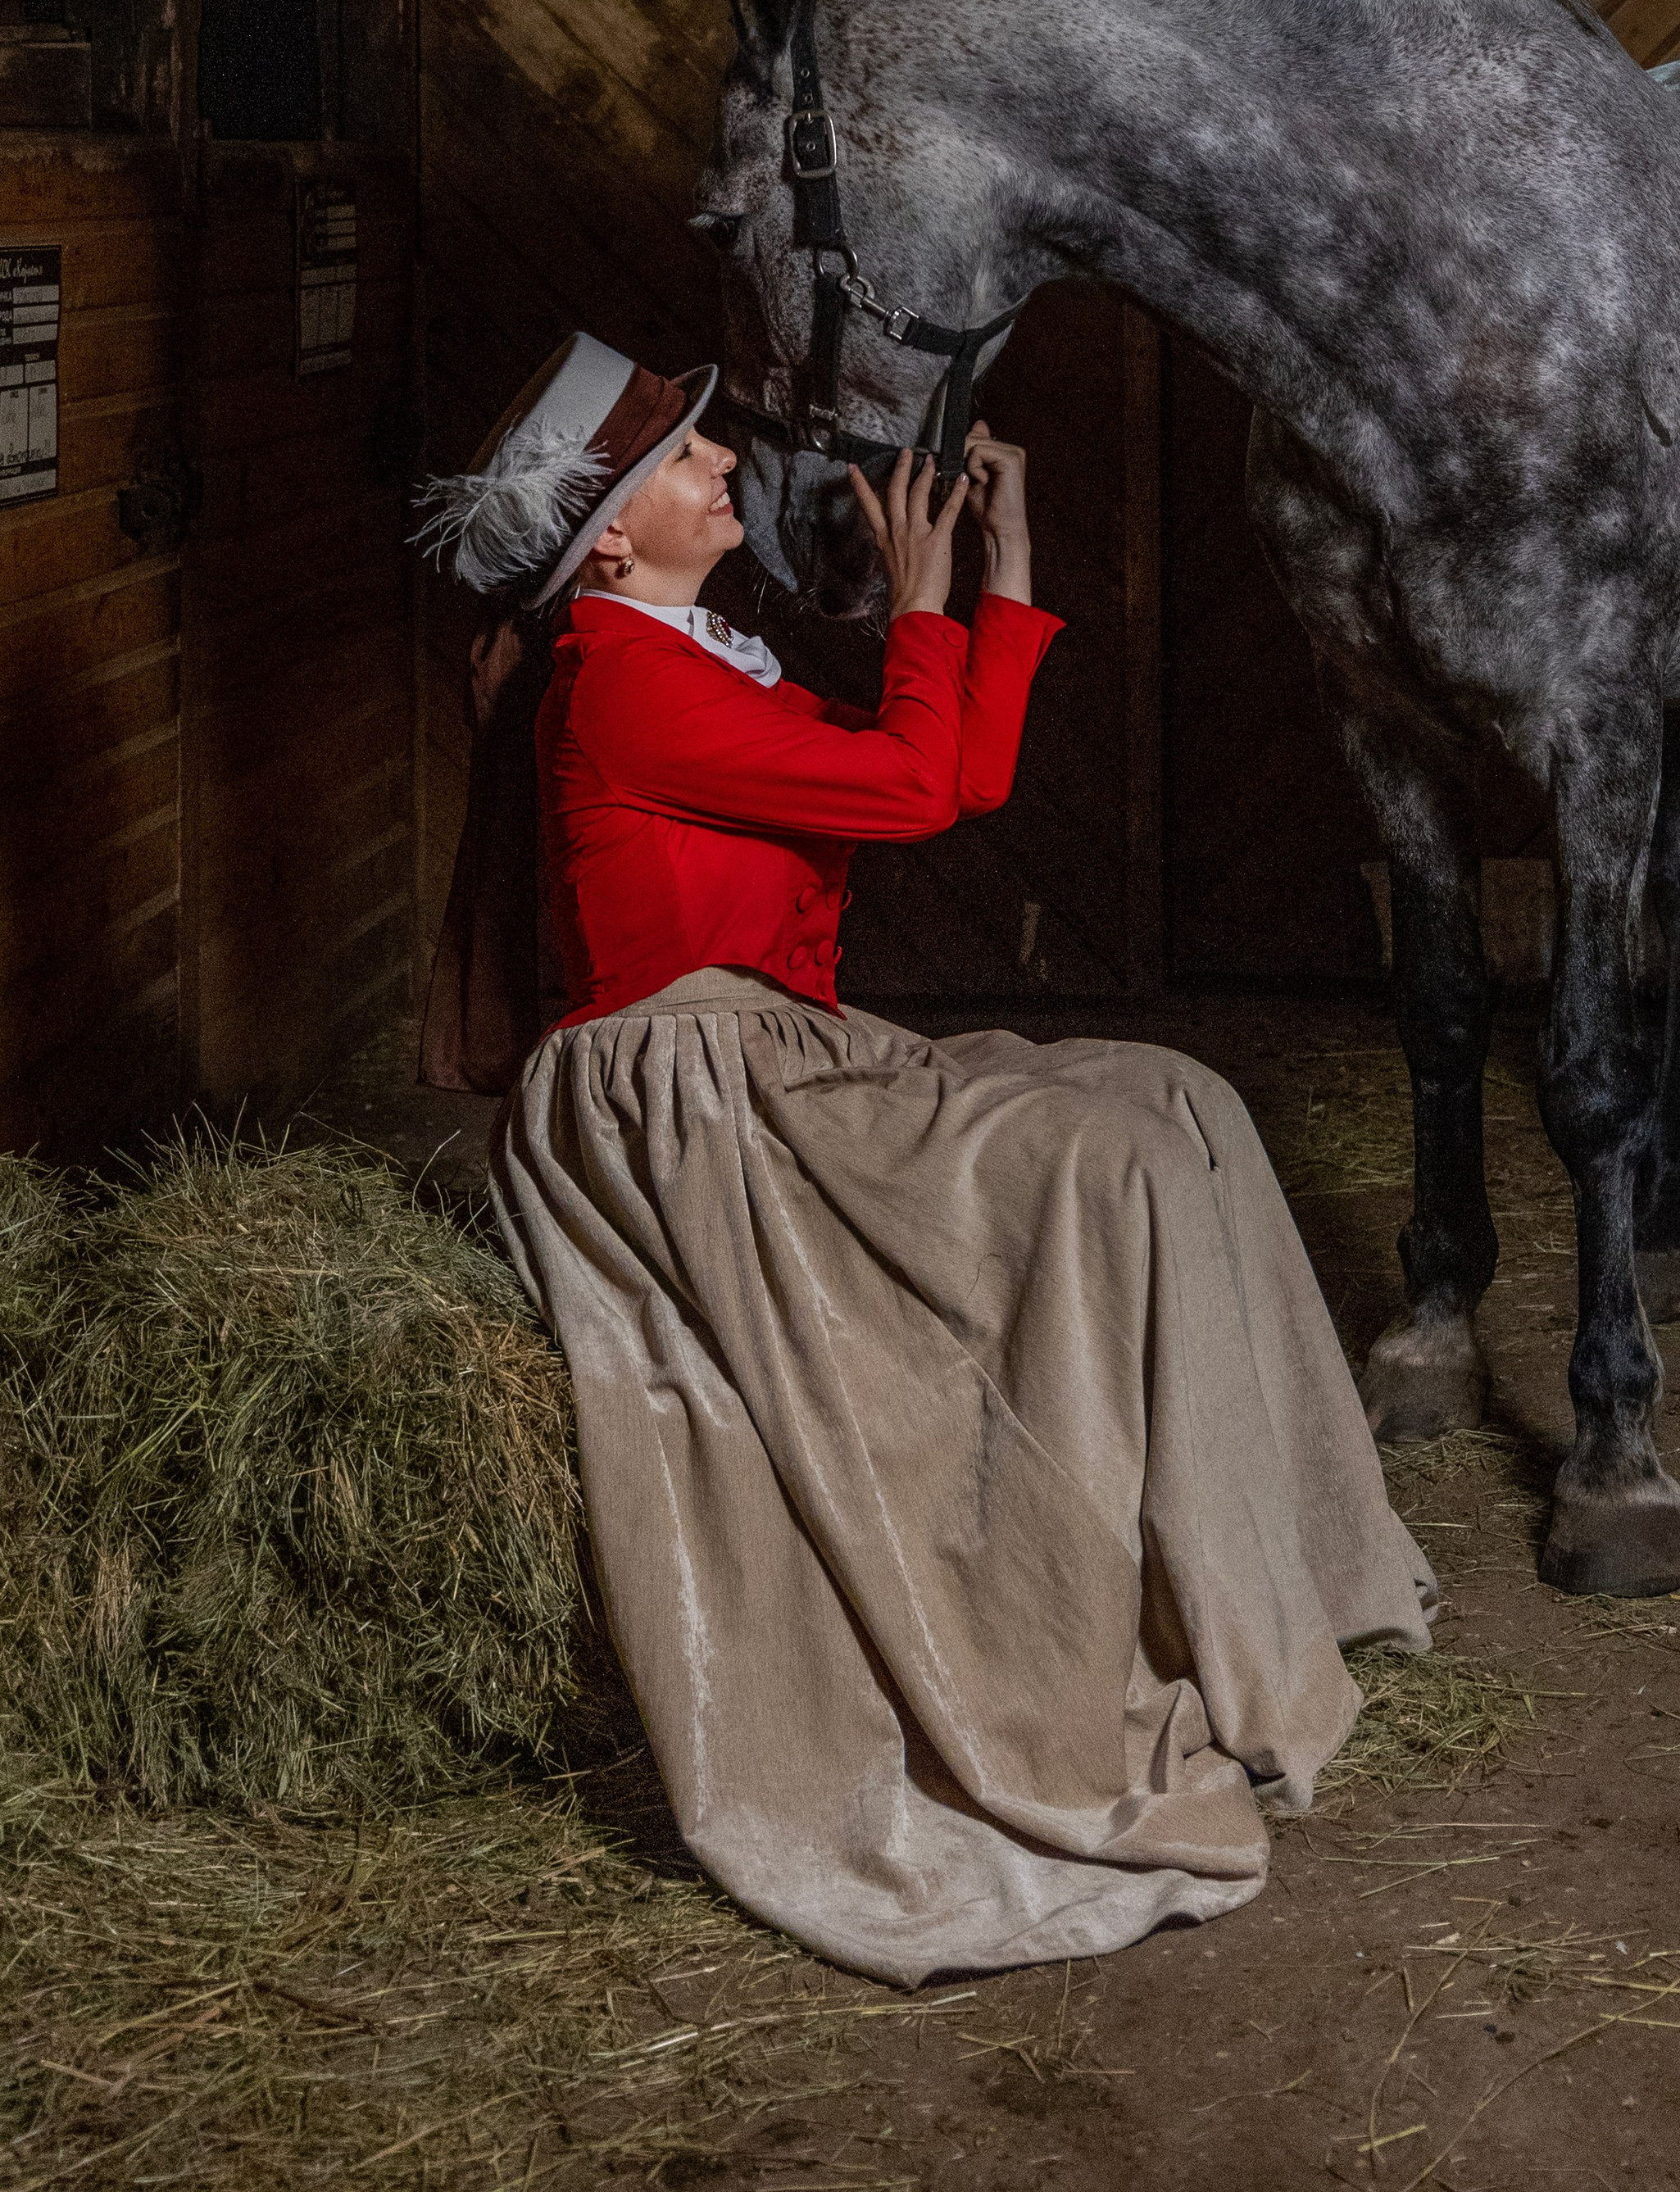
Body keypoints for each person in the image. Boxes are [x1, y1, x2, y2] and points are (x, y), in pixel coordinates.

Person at [415, 332, 1437, 1986]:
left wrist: (992, 571)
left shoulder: (703, 649)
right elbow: (912, 790)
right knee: (1101, 1169)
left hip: (784, 1047)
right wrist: (914, 594)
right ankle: (1079, 1636)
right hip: (694, 1086)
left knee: (1181, 1099)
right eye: (682, 458)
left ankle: (1262, 1596)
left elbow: (953, 772)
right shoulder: (621, 675)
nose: (714, 466)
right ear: (608, 536)